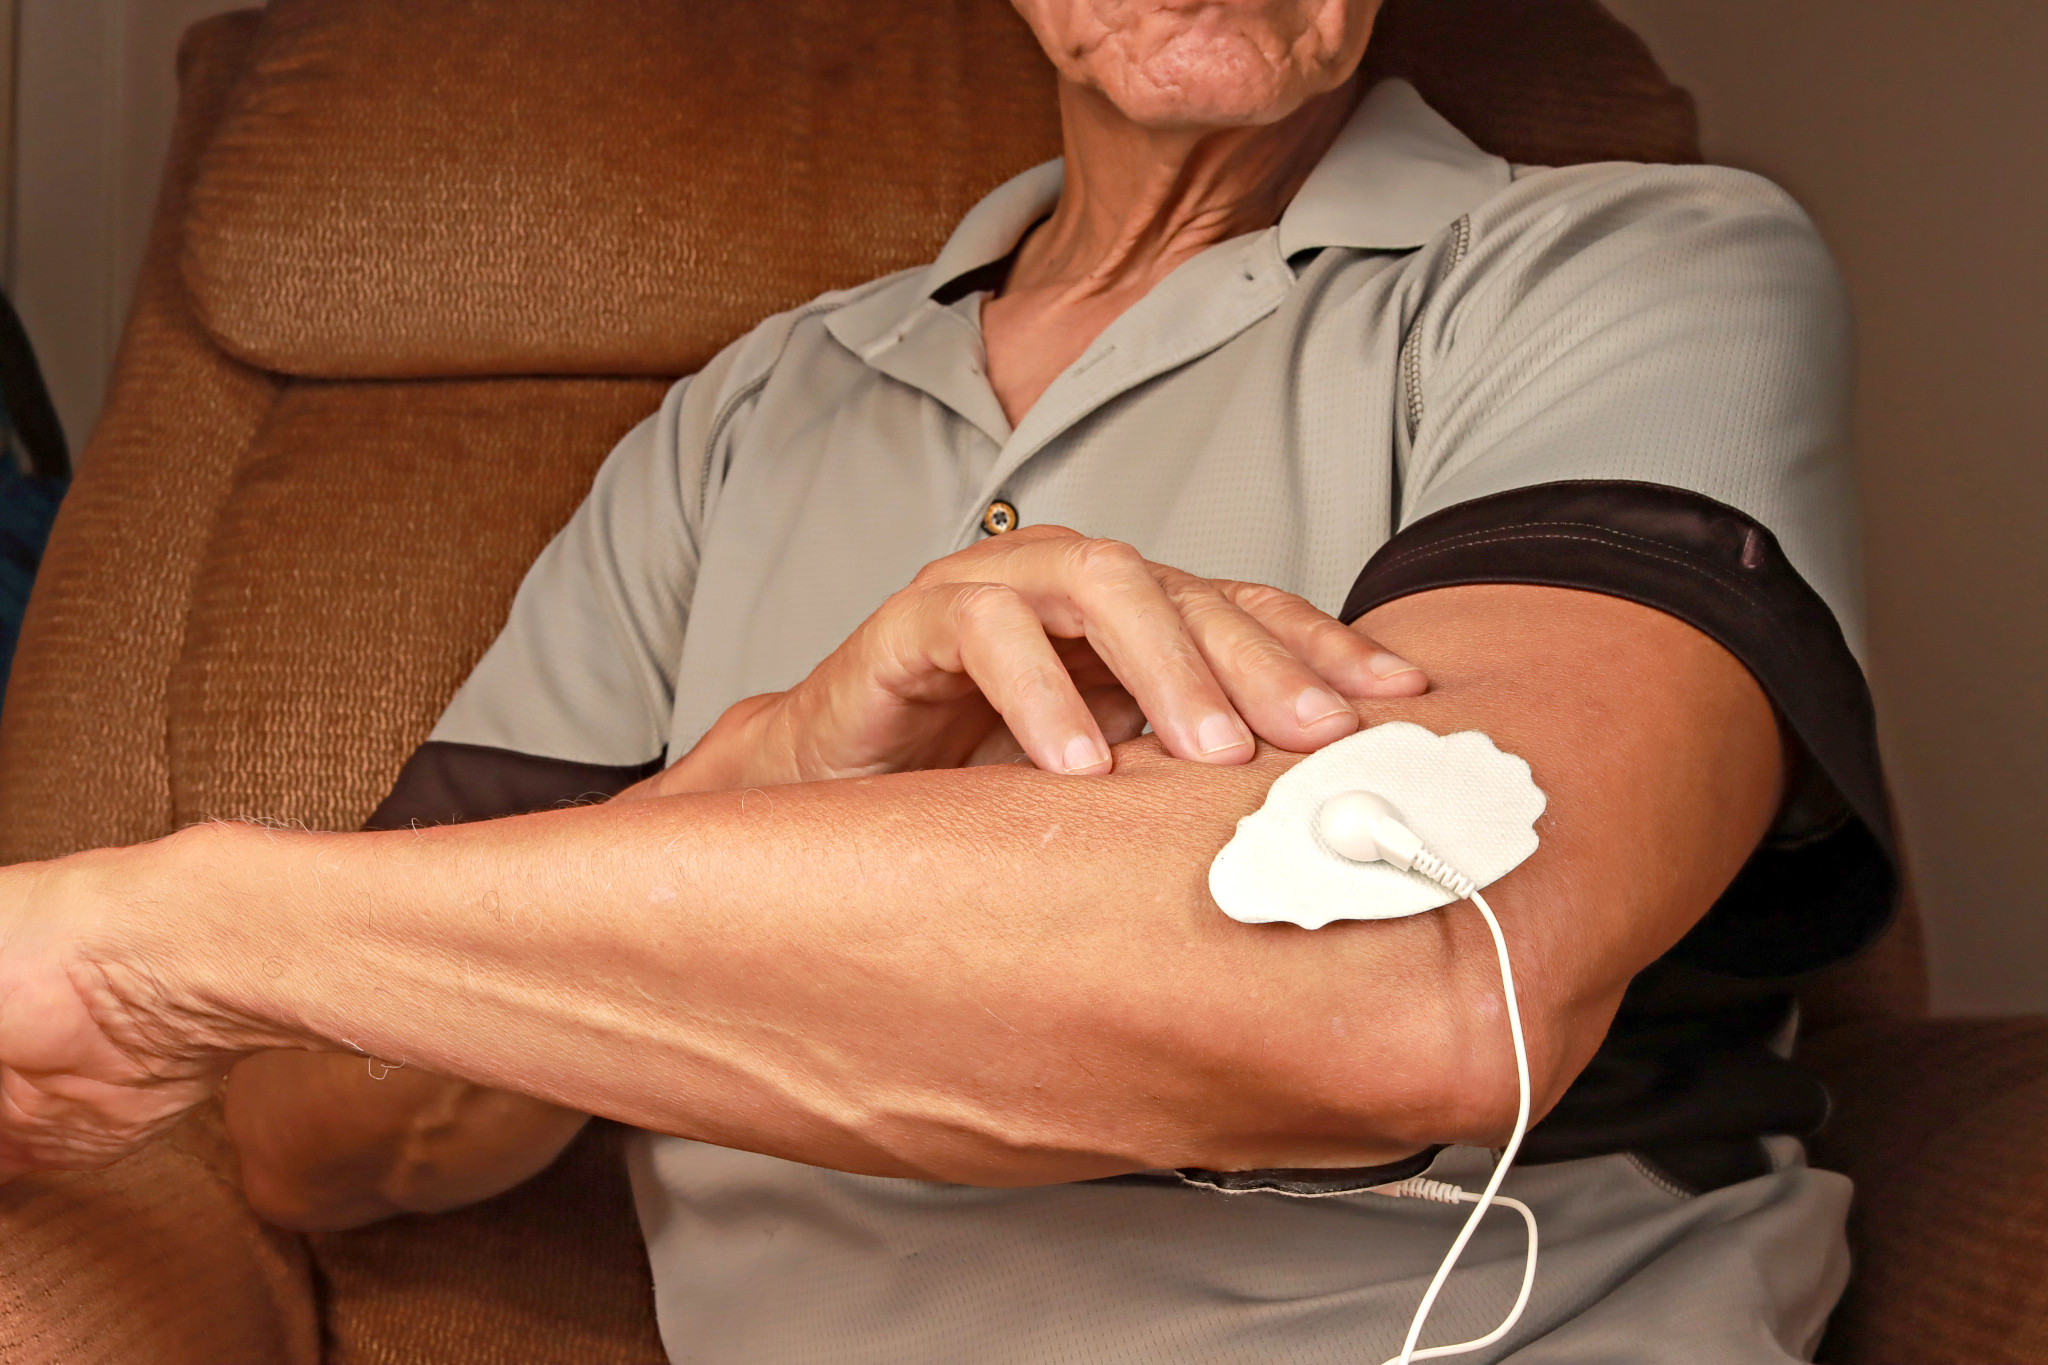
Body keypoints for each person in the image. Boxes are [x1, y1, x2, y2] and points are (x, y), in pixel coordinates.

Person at [0, 0, 1895, 1360]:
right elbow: (327, 1139)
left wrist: (190, 921)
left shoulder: (1623, 262)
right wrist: (752, 780)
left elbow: (1430, 980)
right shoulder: (740, 416)